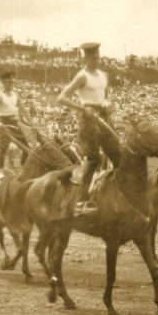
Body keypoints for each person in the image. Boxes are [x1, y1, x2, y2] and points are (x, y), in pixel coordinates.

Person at [57, 42, 121, 216]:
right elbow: (61, 98)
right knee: (94, 160)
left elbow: (106, 96)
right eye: (92, 57)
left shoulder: (104, 75)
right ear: (85, 58)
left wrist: (109, 105)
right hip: (88, 119)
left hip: (103, 117)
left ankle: (115, 196)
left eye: (98, 57)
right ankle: (81, 201)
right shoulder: (82, 76)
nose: (96, 60)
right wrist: (82, 108)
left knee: (118, 156)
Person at [0, 71, 34, 177]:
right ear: (3, 83)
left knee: (27, 149)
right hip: (4, 124)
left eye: (12, 82)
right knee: (2, 149)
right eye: (8, 82)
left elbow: (23, 110)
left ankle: (23, 169)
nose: (11, 84)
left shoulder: (15, 95)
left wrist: (32, 123)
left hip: (14, 123)